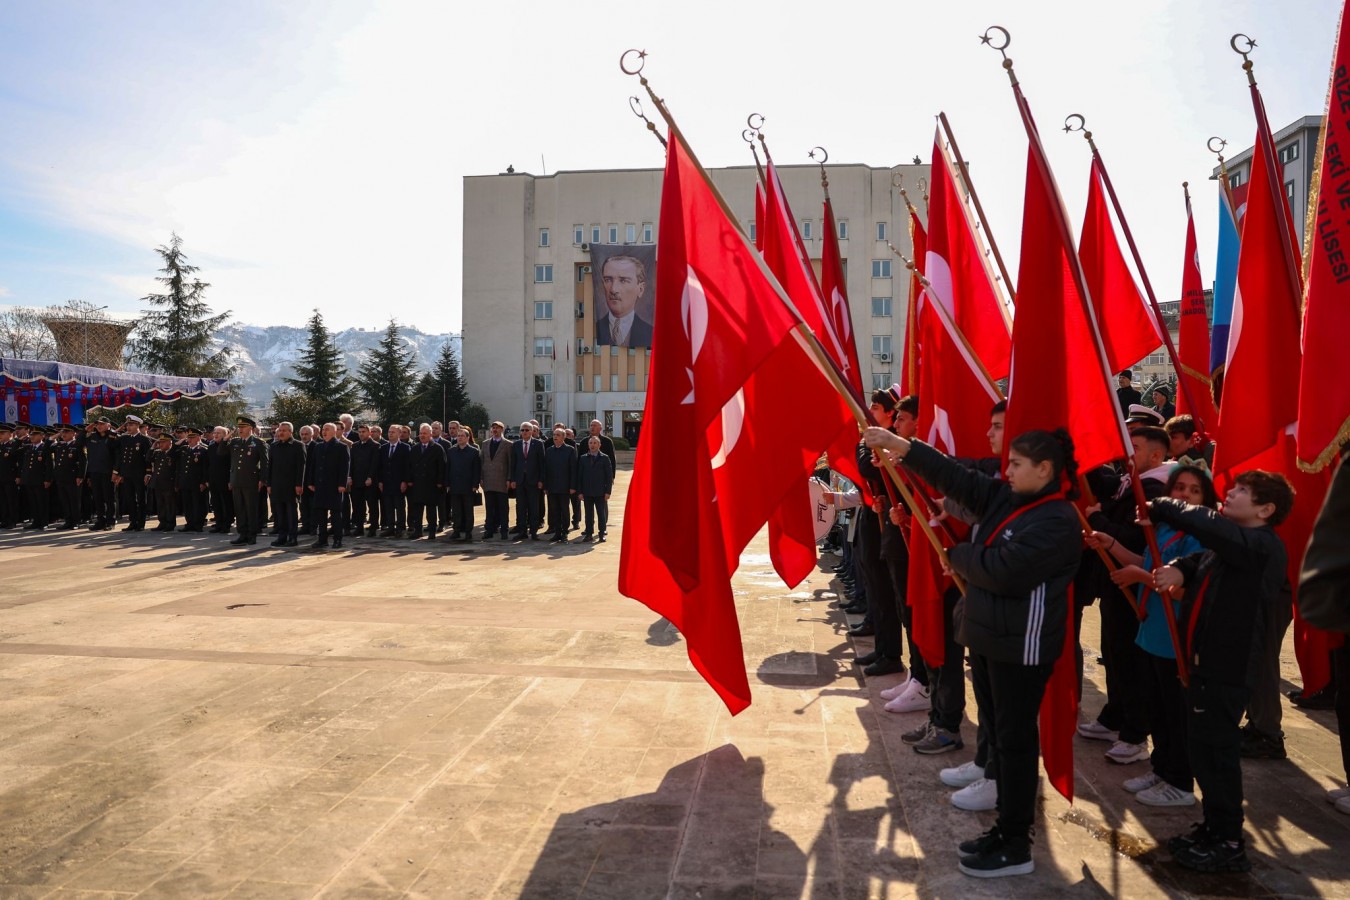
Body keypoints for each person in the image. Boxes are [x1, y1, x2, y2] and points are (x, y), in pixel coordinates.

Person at [864, 424, 1083, 878]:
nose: (1008, 470)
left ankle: (1016, 843)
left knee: (1018, 743)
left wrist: (958, 555)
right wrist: (901, 446)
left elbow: (1005, 572)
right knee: (1001, 737)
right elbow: (956, 478)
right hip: (988, 638)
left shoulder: (1057, 518)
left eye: (1018, 464)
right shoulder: (1007, 497)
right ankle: (1003, 829)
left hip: (1021, 647)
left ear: (1044, 470)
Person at [1150, 469, 1295, 874]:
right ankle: (1213, 828)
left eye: (1243, 491)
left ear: (1266, 510)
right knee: (1204, 752)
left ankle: (1230, 841)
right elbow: (1203, 558)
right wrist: (1181, 567)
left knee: (1218, 756)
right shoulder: (1236, 544)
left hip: (1226, 669)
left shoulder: (1260, 545)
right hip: (1203, 664)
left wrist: (1165, 504)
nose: (1230, 493)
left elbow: (1211, 530)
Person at [1089, 464, 1218, 808]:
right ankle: (1162, 769)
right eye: (1180, 488)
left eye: (1194, 491)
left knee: (1177, 715)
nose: (1185, 496)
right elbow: (1143, 562)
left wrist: (1141, 578)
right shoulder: (1161, 527)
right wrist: (1111, 543)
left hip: (1177, 637)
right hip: (1152, 633)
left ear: (1206, 498)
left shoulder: (1203, 538)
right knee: (1157, 709)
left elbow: (1184, 592)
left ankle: (1180, 782)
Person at [227, 417, 268, 546]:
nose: (240, 430)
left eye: (243, 427)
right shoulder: (234, 442)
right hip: (237, 480)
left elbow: (265, 463)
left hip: (251, 480)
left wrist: (263, 479)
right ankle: (242, 534)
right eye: (239, 427)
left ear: (250, 428)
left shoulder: (258, 442)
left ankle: (252, 534)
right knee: (239, 509)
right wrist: (226, 438)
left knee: (251, 509)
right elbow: (221, 451)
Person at [597, 255, 654, 348]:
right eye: (608, 280)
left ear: (640, 289)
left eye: (623, 281)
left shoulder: (650, 332)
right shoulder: (594, 328)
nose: (613, 289)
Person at [308, 422, 350, 549]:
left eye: (327, 429)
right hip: (320, 485)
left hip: (334, 486)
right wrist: (310, 482)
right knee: (320, 513)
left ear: (334, 431)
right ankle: (322, 539)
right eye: (323, 429)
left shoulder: (341, 447)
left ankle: (338, 540)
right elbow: (313, 465)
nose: (323, 432)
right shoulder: (319, 446)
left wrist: (342, 484)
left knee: (336, 514)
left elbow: (345, 467)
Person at [267, 422, 306, 547]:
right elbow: (270, 467)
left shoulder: (298, 446)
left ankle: (292, 537)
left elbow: (301, 467)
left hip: (291, 485)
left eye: (284, 430)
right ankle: (282, 537)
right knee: (279, 513)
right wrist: (269, 484)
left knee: (291, 513)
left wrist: (299, 484)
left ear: (290, 432)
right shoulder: (274, 446)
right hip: (277, 485)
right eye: (280, 430)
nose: (281, 433)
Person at [405, 423, 446, 540]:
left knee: (431, 510)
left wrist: (440, 482)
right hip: (417, 484)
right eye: (421, 433)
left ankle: (432, 531)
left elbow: (442, 467)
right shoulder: (415, 448)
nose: (422, 436)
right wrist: (409, 480)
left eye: (425, 433)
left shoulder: (437, 448)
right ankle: (418, 531)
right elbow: (409, 466)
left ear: (430, 434)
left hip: (431, 484)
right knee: (417, 510)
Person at [112, 416, 151, 531]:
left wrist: (148, 473)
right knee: (130, 499)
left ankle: (141, 523)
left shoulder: (144, 440)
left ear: (138, 426)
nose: (128, 427)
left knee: (140, 499)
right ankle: (133, 522)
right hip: (127, 473)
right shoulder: (124, 439)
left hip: (139, 474)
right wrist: (119, 472)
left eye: (131, 425)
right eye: (127, 425)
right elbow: (116, 451)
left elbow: (148, 459)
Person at [78, 417, 116, 530]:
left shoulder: (113, 437)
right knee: (97, 498)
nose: (99, 426)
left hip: (108, 472)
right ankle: (101, 521)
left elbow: (117, 456)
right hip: (94, 471)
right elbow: (78, 443)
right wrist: (86, 430)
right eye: (97, 424)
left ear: (108, 425)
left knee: (109, 498)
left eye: (102, 424)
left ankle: (110, 522)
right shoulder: (92, 437)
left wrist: (116, 472)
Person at [445, 426, 482, 541]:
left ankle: (468, 532)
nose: (459, 438)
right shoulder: (451, 451)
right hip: (455, 486)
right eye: (458, 436)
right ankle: (456, 531)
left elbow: (477, 470)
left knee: (468, 511)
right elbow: (448, 468)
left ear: (467, 438)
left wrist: (475, 485)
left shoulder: (474, 451)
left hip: (468, 487)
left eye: (462, 436)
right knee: (456, 511)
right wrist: (447, 484)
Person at [509, 422, 544, 540]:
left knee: (534, 507)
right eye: (522, 430)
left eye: (527, 430)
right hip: (519, 481)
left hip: (533, 481)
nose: (524, 432)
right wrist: (512, 479)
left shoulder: (538, 444)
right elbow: (513, 463)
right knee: (520, 507)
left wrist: (541, 480)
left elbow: (541, 464)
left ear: (532, 431)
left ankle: (533, 532)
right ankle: (522, 531)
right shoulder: (516, 445)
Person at [543, 426, 577, 543]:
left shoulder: (570, 450)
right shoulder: (549, 450)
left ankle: (564, 532)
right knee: (554, 510)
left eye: (558, 435)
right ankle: (557, 532)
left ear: (563, 437)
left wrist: (573, 486)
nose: (555, 437)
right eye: (554, 435)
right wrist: (546, 486)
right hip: (552, 487)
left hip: (565, 487)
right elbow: (545, 470)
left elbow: (573, 470)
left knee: (564, 510)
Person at [576, 435, 613, 542]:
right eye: (590, 443)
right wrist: (580, 491)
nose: (592, 445)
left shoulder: (604, 458)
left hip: (600, 491)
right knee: (588, 514)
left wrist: (608, 491)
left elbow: (608, 476)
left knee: (601, 514)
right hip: (587, 491)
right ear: (588, 445)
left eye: (595, 443)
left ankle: (602, 533)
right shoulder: (583, 458)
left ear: (599, 445)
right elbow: (580, 476)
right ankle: (588, 533)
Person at [479, 421, 513, 540]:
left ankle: (504, 531)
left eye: (497, 428)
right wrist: (481, 478)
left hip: (502, 481)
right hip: (488, 480)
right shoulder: (485, 443)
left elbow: (510, 463)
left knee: (503, 508)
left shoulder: (508, 444)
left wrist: (509, 478)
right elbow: (482, 461)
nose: (495, 430)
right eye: (493, 428)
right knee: (489, 507)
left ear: (502, 430)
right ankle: (489, 530)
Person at [175, 428, 209, 532]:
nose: (189, 439)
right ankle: (189, 523)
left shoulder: (203, 450)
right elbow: (174, 458)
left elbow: (206, 468)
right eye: (188, 437)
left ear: (198, 438)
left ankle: (198, 524)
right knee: (187, 504)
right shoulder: (184, 449)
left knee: (198, 504)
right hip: (185, 481)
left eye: (192, 437)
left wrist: (204, 482)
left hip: (197, 482)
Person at [20, 426, 54, 530]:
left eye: (35, 434)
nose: (32, 436)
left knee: (42, 502)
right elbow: (14, 450)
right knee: (33, 502)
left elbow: (49, 465)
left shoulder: (45, 447)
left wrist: (48, 479)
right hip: (29, 479)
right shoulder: (28, 447)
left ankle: (44, 522)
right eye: (31, 434)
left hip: (40, 480)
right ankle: (36, 521)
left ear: (42, 436)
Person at [147, 433, 177, 531]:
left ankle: (170, 523)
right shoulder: (157, 453)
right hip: (158, 482)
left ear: (170, 442)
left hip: (169, 482)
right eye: (160, 442)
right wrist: (152, 447)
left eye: (163, 442)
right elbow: (147, 459)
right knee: (160, 504)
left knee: (169, 504)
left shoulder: (173, 453)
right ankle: (162, 522)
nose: (161, 444)